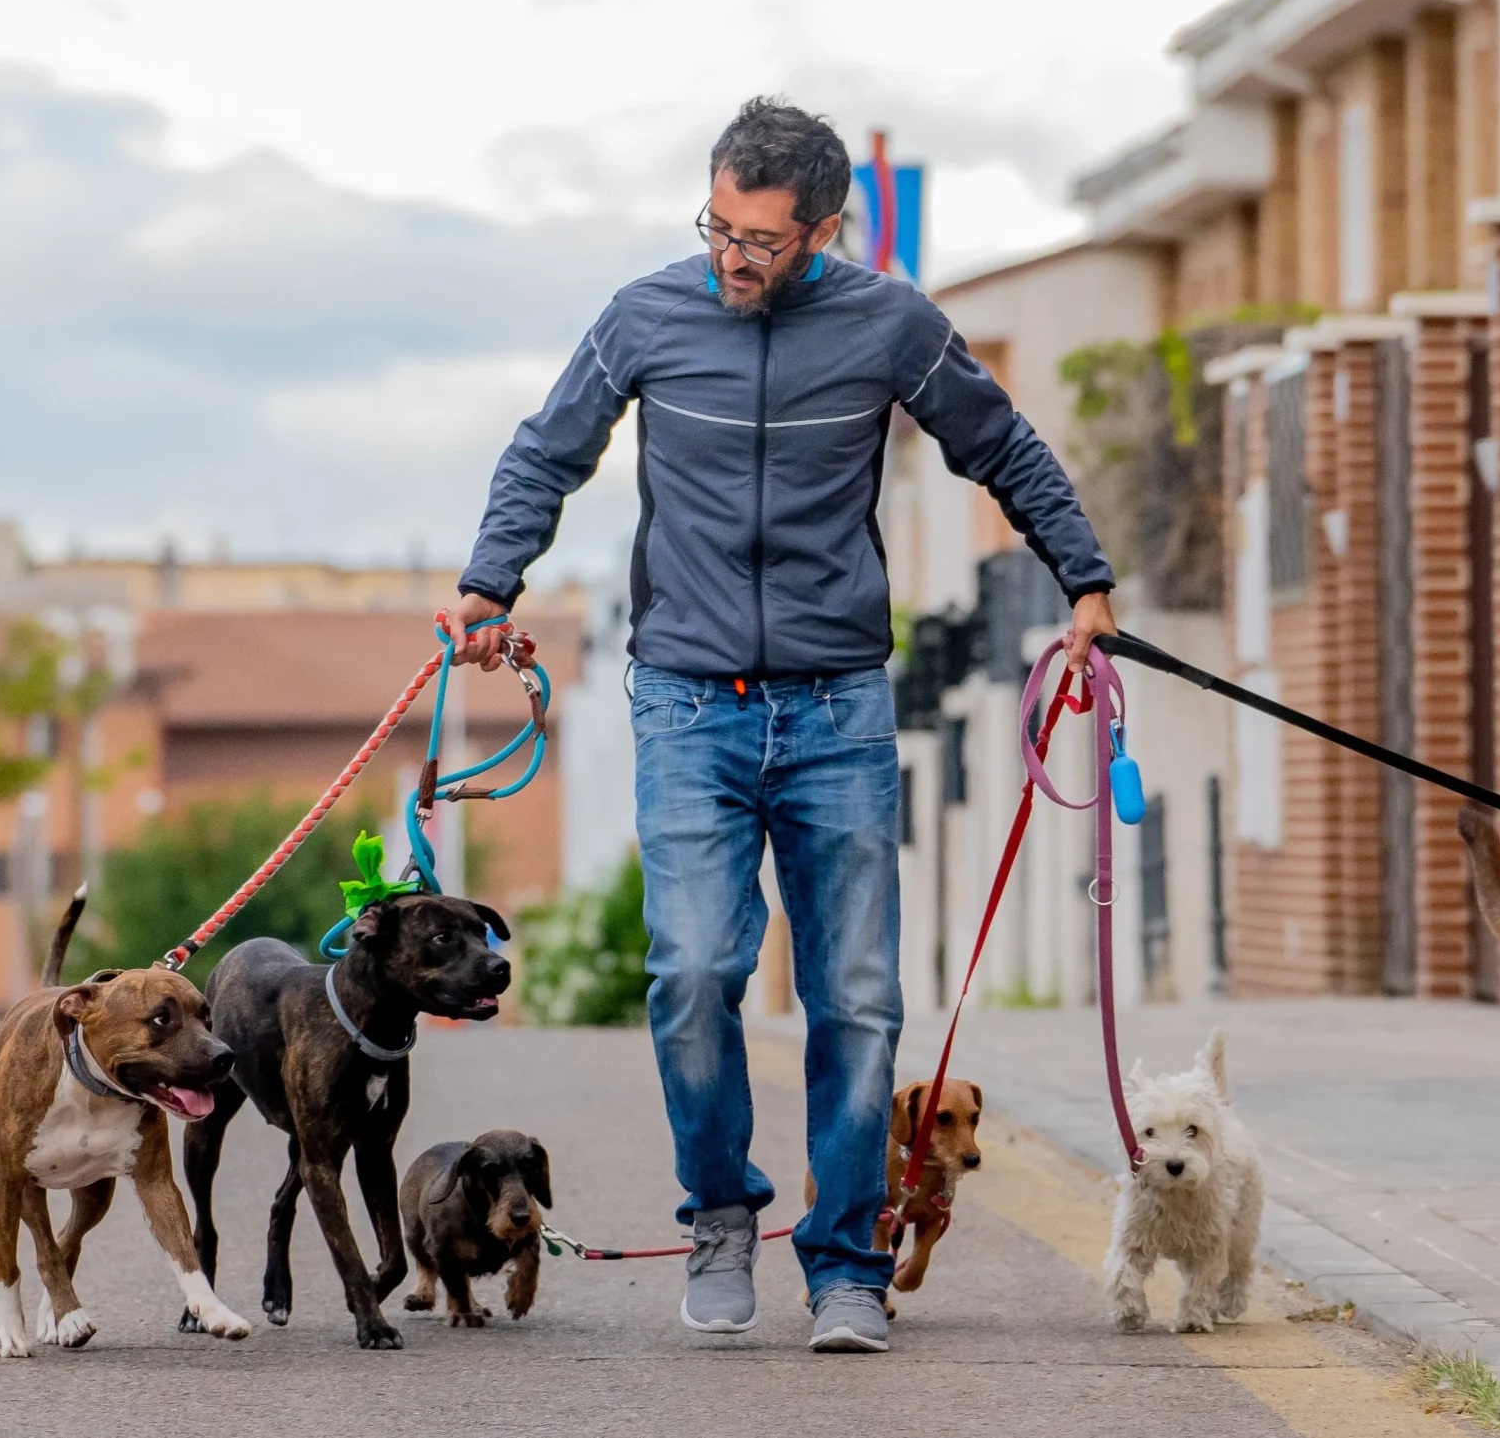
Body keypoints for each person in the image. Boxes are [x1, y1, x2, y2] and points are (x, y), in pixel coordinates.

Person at [448, 97, 1116, 1354]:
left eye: (759, 236)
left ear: (819, 228)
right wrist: (492, 581)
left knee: (855, 997)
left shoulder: (889, 325)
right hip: (688, 701)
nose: (731, 255)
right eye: (718, 224)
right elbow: (547, 453)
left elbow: (1003, 448)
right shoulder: (646, 315)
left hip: (837, 706)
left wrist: (1083, 578)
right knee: (693, 971)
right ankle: (717, 1212)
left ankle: (848, 1261)